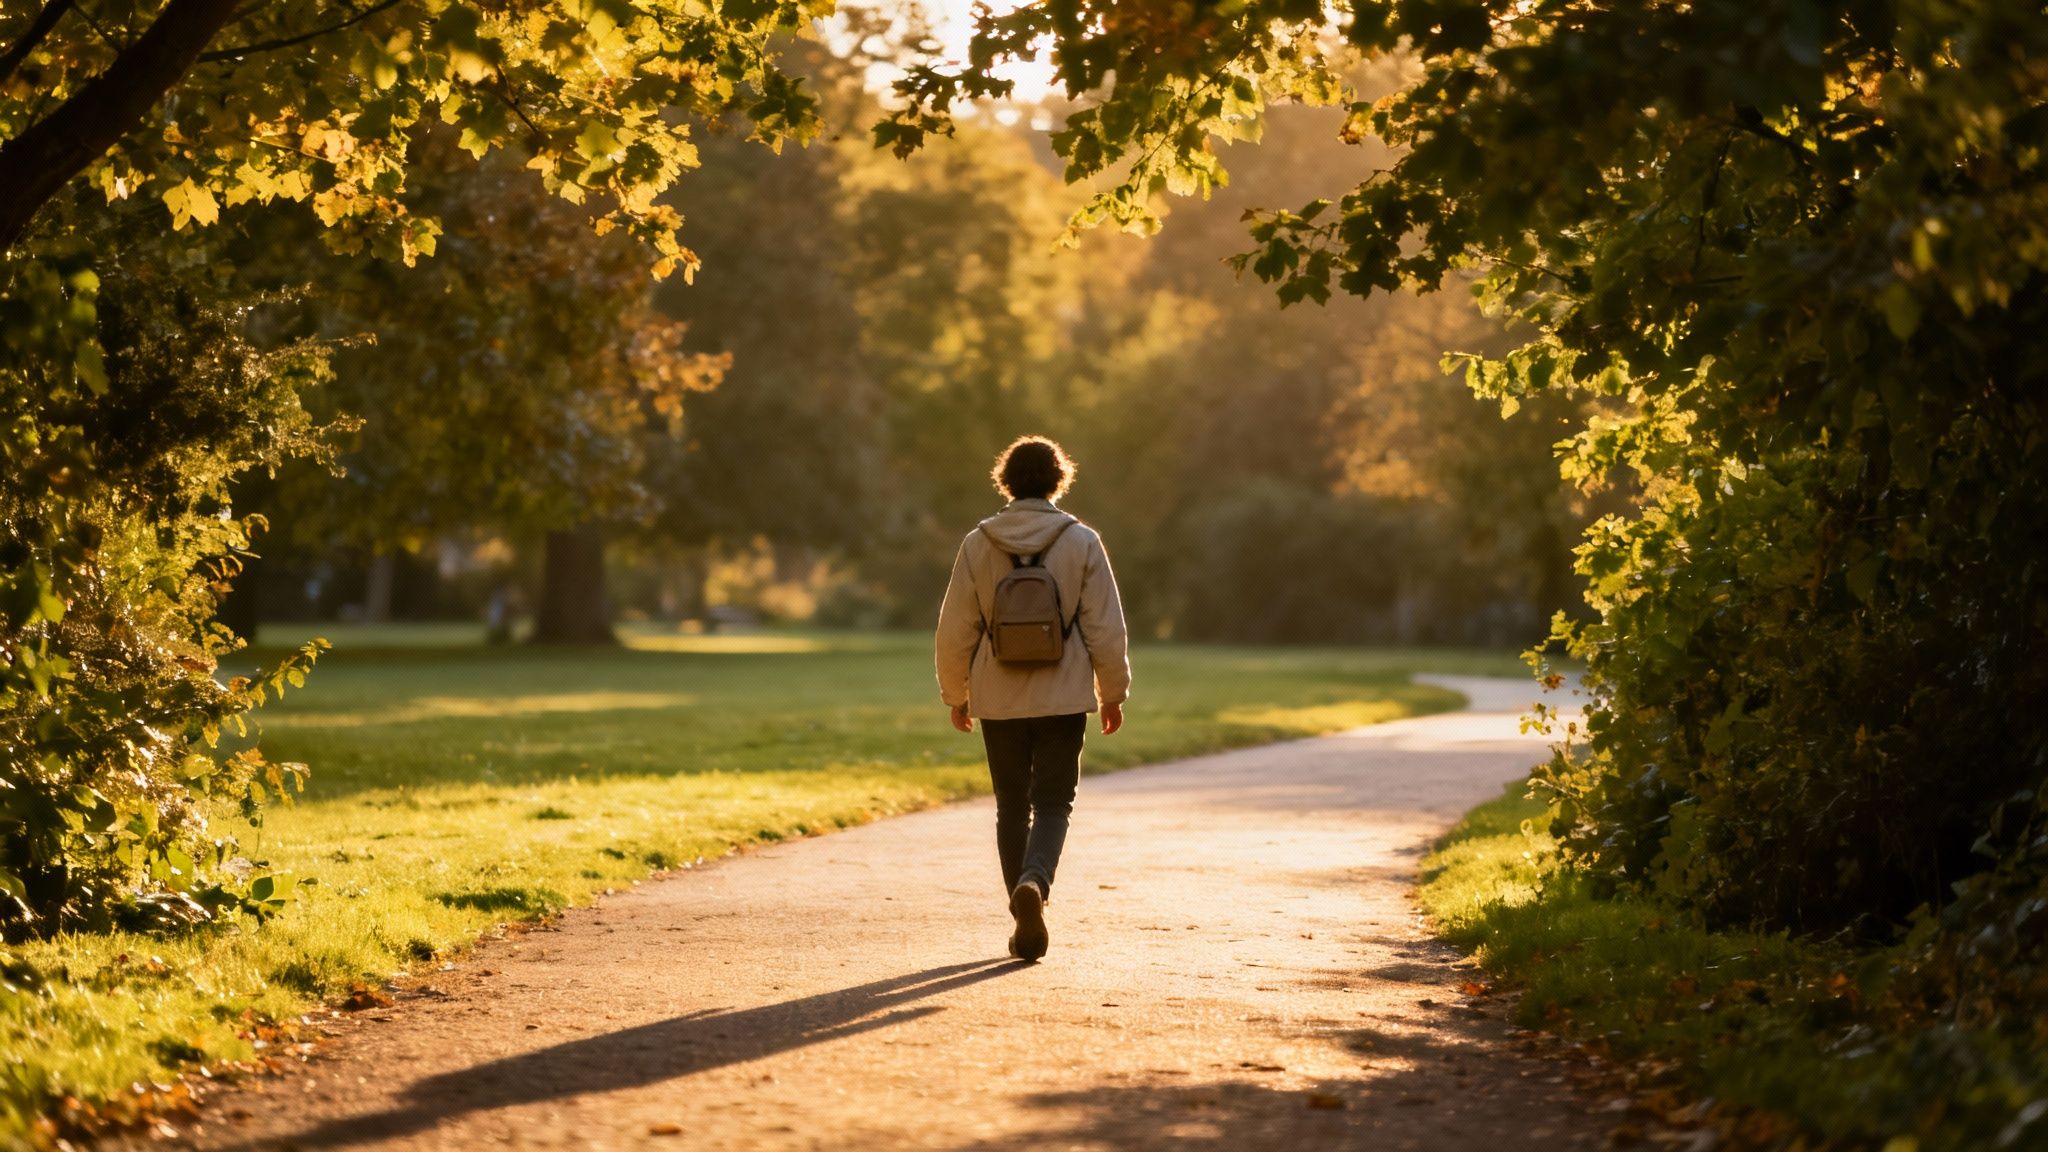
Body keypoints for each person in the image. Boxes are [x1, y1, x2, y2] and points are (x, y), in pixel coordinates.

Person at [935, 435, 1130, 962]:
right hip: (1064, 696)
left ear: (1006, 481)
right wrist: (1113, 692)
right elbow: (1105, 627)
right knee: (1053, 802)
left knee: (1010, 807)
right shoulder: (1082, 541)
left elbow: (956, 627)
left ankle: (1022, 915)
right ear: (1057, 480)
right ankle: (1036, 885)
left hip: (997, 698)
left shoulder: (979, 542)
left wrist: (957, 693)